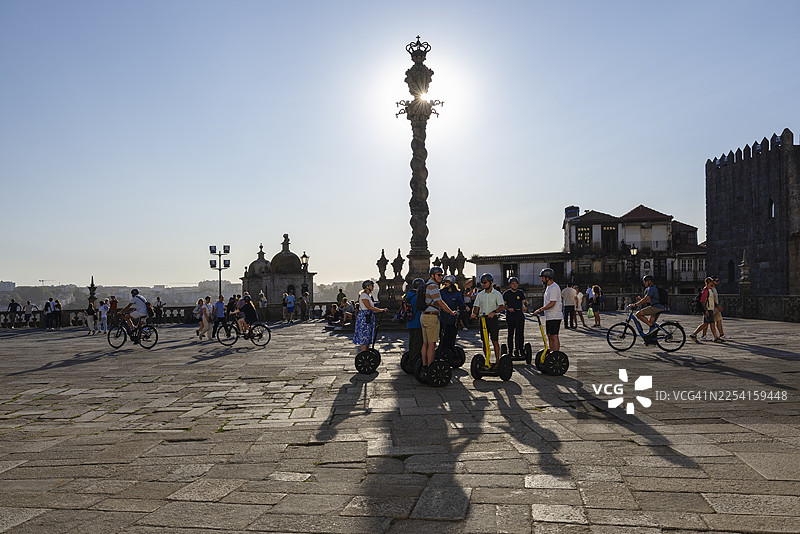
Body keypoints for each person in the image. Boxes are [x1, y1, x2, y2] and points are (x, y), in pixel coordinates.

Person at [420, 267, 458, 379]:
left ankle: (424, 365)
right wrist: (451, 312)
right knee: (432, 343)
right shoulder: (433, 286)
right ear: (432, 276)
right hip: (431, 317)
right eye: (439, 275)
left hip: (423, 316)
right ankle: (430, 367)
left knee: (425, 343)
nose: (441, 277)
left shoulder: (426, 285)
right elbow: (440, 303)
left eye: (441, 275)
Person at [471, 273, 505, 365]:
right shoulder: (480, 294)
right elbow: (476, 306)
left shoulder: (496, 294)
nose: (483, 284)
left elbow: (501, 306)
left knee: (495, 341)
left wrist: (494, 312)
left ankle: (498, 361)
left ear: (490, 282)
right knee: (484, 341)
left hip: (493, 319)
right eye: (482, 283)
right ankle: (487, 361)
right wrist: (474, 313)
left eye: (485, 282)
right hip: (483, 320)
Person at [627, 275, 665, 343]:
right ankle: (652, 341)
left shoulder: (652, 288)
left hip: (656, 307)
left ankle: (652, 327)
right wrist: (640, 299)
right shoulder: (653, 288)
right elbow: (650, 300)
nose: (644, 283)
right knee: (651, 322)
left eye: (645, 281)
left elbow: (646, 299)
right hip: (658, 307)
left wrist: (635, 304)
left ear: (649, 281)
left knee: (638, 314)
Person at [353, 280, 388, 353]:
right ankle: (363, 352)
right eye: (372, 285)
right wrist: (380, 310)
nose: (373, 287)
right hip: (364, 318)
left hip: (368, 317)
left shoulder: (368, 296)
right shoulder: (364, 295)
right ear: (367, 287)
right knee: (364, 335)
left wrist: (380, 310)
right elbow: (368, 307)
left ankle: (367, 352)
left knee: (368, 336)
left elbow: (371, 309)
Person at [533, 269, 563, 352]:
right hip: (549, 316)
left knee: (554, 335)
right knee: (549, 335)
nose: (541, 280)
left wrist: (540, 309)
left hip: (555, 315)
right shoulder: (548, 287)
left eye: (542, 278)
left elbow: (552, 303)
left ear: (547, 278)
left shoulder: (554, 287)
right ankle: (551, 352)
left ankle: (556, 353)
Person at [690, 277, 722, 343]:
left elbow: (711, 300)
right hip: (708, 309)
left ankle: (694, 334)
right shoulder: (706, 290)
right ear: (709, 282)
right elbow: (702, 301)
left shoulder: (710, 290)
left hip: (710, 309)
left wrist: (717, 306)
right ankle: (715, 337)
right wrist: (706, 310)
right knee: (710, 323)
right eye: (712, 282)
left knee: (706, 323)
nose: (713, 283)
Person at [502, 277, 528, 356]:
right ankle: (510, 350)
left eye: (516, 283)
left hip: (519, 314)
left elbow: (525, 302)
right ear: (510, 285)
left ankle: (520, 349)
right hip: (511, 315)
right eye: (513, 283)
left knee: (520, 333)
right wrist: (508, 309)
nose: (514, 285)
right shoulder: (506, 293)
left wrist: (525, 306)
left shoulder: (520, 292)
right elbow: (503, 305)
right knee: (511, 333)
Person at [440, 275, 465, 354]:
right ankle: (443, 350)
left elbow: (461, 303)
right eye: (444, 282)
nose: (445, 283)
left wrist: (465, 308)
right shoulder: (441, 292)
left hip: (453, 319)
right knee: (443, 337)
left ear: (451, 283)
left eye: (447, 282)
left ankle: (451, 350)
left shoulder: (457, 293)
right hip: (443, 318)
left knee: (452, 336)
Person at [405, 278, 425, 367]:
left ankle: (411, 358)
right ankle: (415, 361)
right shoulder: (418, 296)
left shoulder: (408, 295)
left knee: (412, 341)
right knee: (418, 342)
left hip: (410, 322)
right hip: (418, 322)